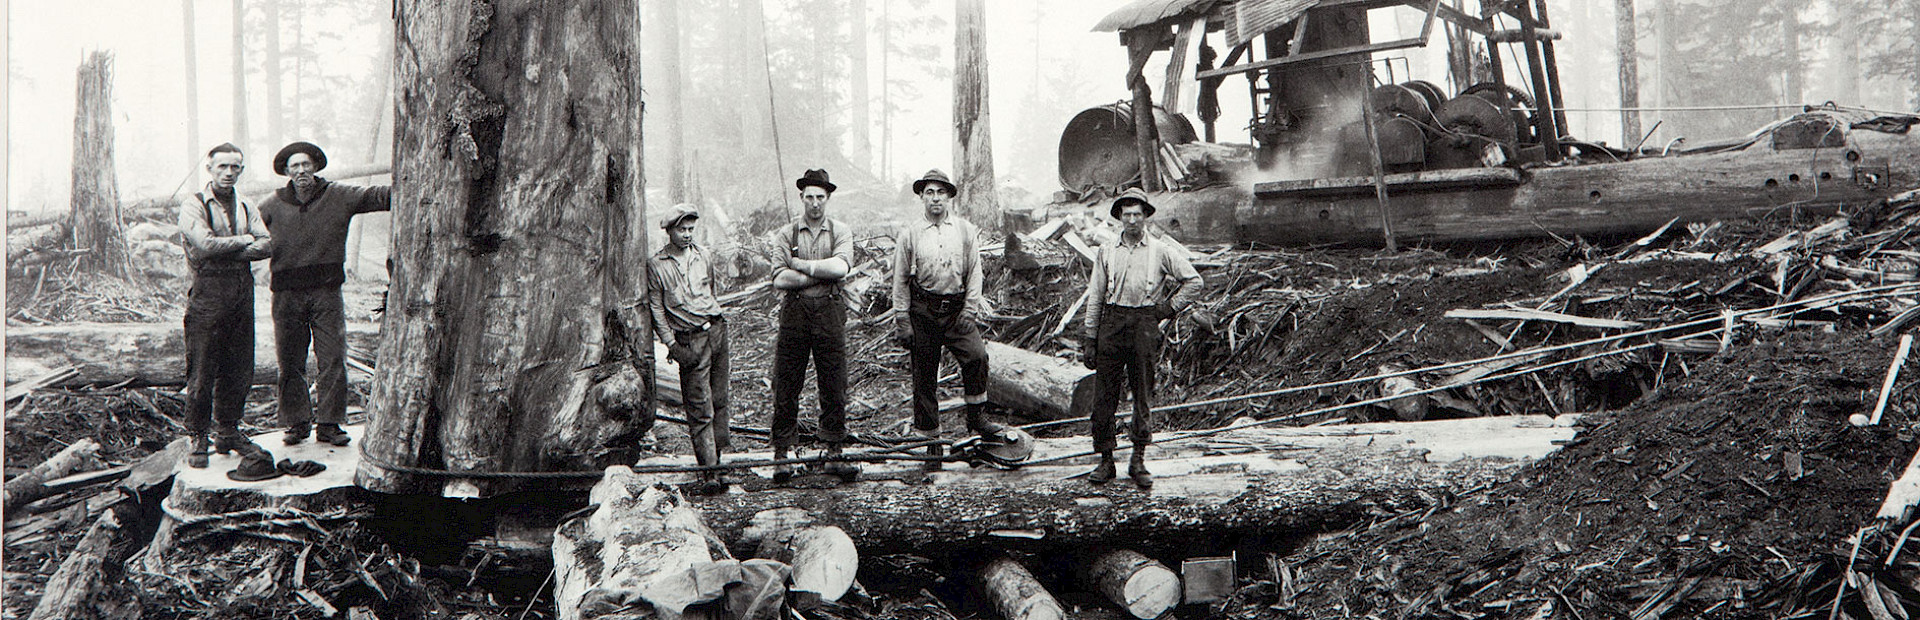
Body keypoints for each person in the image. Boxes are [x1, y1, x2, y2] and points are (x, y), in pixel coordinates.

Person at [259, 141, 391, 447]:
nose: (301, 171)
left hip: (326, 291)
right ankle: (296, 422)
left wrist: (415, 184)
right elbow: (245, 229)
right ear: (287, 172)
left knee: (332, 357)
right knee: (289, 359)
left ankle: (330, 424)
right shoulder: (271, 205)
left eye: (306, 164)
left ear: (316, 166)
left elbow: (379, 196)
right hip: (286, 295)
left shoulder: (338, 195)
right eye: (295, 166)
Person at [1081, 187, 1202, 489]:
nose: (1132, 220)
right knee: (1104, 396)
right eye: (1127, 214)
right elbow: (1095, 296)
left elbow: (1194, 281)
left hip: (1144, 325)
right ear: (1119, 218)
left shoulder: (1160, 250)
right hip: (1112, 323)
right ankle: (1106, 459)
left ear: (1146, 217)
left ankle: (1138, 458)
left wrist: (1167, 308)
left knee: (1143, 394)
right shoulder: (1106, 250)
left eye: (1138, 214)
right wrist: (1090, 337)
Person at [891, 169, 1006, 472]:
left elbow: (975, 272)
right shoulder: (911, 234)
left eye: (941, 192)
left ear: (950, 197)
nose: (935, 198)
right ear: (922, 197)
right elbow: (900, 279)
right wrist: (902, 318)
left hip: (956, 311)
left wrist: (970, 309)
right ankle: (931, 441)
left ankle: (977, 417)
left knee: (977, 356)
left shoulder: (966, 230)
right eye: (929, 192)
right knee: (924, 374)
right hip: (923, 311)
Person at [178, 143, 274, 468]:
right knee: (202, 369)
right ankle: (198, 436)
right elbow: (203, 246)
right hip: (207, 294)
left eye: (235, 167)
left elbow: (268, 243)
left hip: (241, 293)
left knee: (239, 367)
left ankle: (228, 432)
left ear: (241, 171)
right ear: (210, 169)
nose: (229, 173)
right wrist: (245, 241)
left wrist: (232, 249)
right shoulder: (194, 205)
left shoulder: (247, 204)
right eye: (223, 167)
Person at [768, 169, 857, 483]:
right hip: (795, 313)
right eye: (809, 197)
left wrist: (804, 268)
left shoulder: (840, 230)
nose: (815, 203)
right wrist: (820, 273)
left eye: (821, 197)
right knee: (787, 382)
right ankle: (781, 454)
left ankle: (834, 450)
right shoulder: (787, 233)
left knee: (834, 382)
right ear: (802, 198)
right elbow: (779, 277)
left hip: (830, 311)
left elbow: (842, 267)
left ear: (828, 198)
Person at [649, 204, 730, 495]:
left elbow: (712, 292)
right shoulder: (657, 265)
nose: (686, 235)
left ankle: (721, 465)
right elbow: (657, 309)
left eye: (690, 229)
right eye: (681, 230)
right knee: (700, 407)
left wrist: (716, 325)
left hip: (716, 331)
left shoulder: (703, 255)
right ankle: (708, 471)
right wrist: (671, 344)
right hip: (689, 340)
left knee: (720, 400)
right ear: (669, 231)